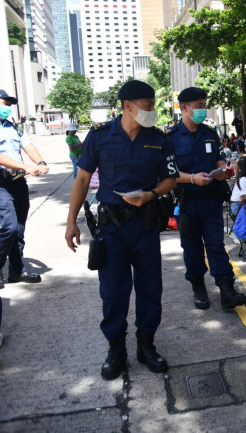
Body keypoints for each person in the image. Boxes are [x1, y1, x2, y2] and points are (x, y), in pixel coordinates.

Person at [64, 80, 179, 380]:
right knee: (113, 293)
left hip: (146, 226)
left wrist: (151, 195)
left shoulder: (158, 139)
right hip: (111, 229)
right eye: (147, 104)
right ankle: (116, 350)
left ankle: (146, 346)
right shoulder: (101, 136)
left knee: (150, 289)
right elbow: (82, 179)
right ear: (128, 106)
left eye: (153, 104)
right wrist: (70, 222)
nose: (153, 110)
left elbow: (170, 179)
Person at [166, 87, 246, 312]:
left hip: (211, 201)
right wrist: (191, 179)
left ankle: (226, 290)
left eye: (203, 105)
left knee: (216, 246)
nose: (203, 110)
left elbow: (219, 159)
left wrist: (222, 170)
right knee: (191, 248)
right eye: (199, 106)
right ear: (184, 108)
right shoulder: (171, 139)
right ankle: (198, 288)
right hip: (187, 203)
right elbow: (168, 172)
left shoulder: (209, 133)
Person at [0, 88, 49, 285]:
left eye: (9, 104)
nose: (8, 107)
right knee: (9, 227)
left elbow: (28, 146)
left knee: (19, 231)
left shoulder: (14, 127)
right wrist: (24, 166)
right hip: (1, 183)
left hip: (18, 182)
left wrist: (40, 163)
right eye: (4, 103)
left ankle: (16, 271)